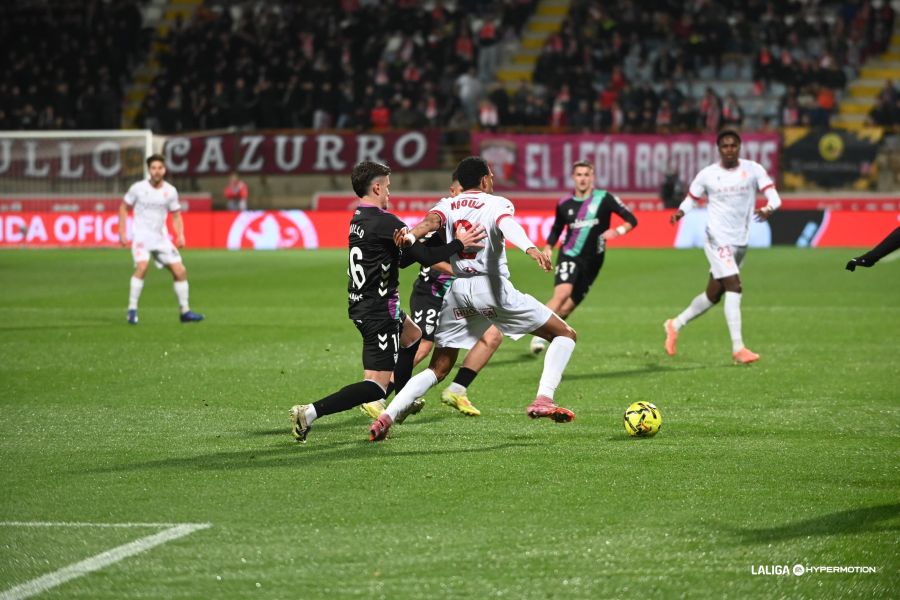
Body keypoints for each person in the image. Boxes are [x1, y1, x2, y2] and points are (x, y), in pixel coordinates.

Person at [369, 156, 578, 442]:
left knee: (438, 367)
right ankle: (544, 397)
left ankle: (386, 416)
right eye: (491, 176)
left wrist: (410, 235)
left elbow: (429, 223)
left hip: (458, 290)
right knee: (565, 334)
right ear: (484, 180)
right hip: (492, 289)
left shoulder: (448, 204)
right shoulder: (498, 203)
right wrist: (530, 248)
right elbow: (507, 226)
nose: (492, 180)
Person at [289, 161, 486, 443]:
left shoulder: (359, 218)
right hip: (377, 310)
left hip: (368, 304)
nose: (390, 193)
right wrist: (458, 243)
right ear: (377, 186)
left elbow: (403, 259)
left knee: (413, 337)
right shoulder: (386, 222)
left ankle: (403, 399)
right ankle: (309, 413)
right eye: (388, 187)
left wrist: (418, 242)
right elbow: (428, 260)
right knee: (375, 388)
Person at [361, 171, 503, 419]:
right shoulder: (441, 219)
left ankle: (457, 389)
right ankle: (380, 396)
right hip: (433, 291)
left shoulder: (475, 216)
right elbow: (422, 257)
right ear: (452, 193)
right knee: (423, 345)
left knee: (492, 335)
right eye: (461, 194)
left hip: (459, 294)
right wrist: (459, 271)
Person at [663, 129, 781, 364]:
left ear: (739, 147)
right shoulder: (708, 174)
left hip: (740, 241)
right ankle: (738, 348)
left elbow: (775, 198)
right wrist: (680, 212)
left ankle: (674, 324)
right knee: (734, 286)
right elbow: (691, 198)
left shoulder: (753, 170)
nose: (729, 149)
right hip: (717, 238)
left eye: (733, 146)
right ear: (719, 149)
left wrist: (768, 209)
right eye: (725, 146)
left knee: (713, 294)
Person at [530, 161, 638, 355]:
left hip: (594, 261)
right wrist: (547, 248)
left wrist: (618, 231)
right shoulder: (564, 204)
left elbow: (632, 219)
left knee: (566, 309)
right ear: (573, 178)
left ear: (592, 177)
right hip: (569, 255)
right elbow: (556, 229)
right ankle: (538, 336)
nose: (582, 178)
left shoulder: (604, 198)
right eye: (579, 174)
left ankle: (549, 336)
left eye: (586, 174)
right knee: (561, 294)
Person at [118, 154, 204, 325]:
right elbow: (123, 207)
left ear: (164, 170)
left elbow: (176, 215)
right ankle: (132, 310)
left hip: (160, 239)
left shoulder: (170, 191)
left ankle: (185, 312)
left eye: (160, 168)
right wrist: (122, 232)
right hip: (142, 237)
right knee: (142, 267)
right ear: (149, 170)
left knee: (180, 271)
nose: (157, 171)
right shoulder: (138, 188)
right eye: (153, 168)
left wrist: (180, 234)